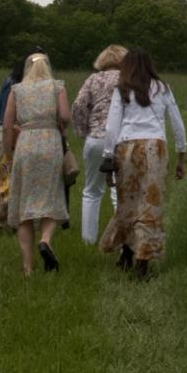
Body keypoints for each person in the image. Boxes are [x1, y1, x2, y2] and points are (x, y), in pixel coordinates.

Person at [99, 49, 187, 279]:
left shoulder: (122, 90)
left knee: (127, 203)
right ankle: (142, 261)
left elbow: (111, 126)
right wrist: (181, 154)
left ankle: (126, 251)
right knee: (150, 204)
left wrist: (108, 157)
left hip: (126, 148)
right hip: (155, 149)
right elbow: (177, 121)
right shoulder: (163, 88)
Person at [1, 52, 72, 275]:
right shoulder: (57, 86)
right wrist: (59, 125)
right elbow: (65, 115)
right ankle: (46, 239)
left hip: (26, 145)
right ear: (48, 67)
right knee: (50, 196)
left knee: (24, 206)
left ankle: (28, 268)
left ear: (27, 68)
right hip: (50, 143)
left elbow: (6, 125)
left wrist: (8, 154)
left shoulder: (17, 90)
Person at [70, 45, 127, 243]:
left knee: (91, 191)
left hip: (95, 139)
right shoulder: (127, 80)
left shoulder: (93, 79)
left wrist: (83, 130)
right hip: (121, 139)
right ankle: (121, 239)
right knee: (119, 191)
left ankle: (88, 240)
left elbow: (78, 105)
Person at [0, 56, 25, 237]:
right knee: (15, 179)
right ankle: (10, 220)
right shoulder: (25, 87)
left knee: (0, 179)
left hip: (2, 133)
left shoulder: (8, 81)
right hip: (18, 134)